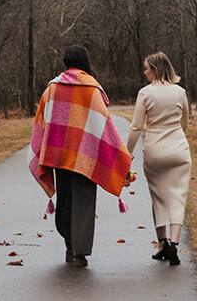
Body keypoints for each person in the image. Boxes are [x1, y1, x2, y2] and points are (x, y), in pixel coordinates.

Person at [29, 43, 131, 268]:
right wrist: (122, 158)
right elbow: (104, 126)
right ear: (85, 62)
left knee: (64, 199)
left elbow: (41, 123)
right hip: (86, 155)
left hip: (58, 154)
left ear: (66, 62)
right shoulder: (92, 89)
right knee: (84, 202)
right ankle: (80, 253)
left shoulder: (52, 89)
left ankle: (69, 246)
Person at [126, 51, 192, 266]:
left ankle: (162, 244)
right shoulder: (180, 92)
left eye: (146, 68)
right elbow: (185, 122)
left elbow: (136, 127)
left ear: (155, 70)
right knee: (177, 196)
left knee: (159, 197)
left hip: (155, 150)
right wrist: (179, 136)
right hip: (179, 149)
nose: (144, 72)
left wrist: (127, 153)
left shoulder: (145, 93)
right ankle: (173, 244)